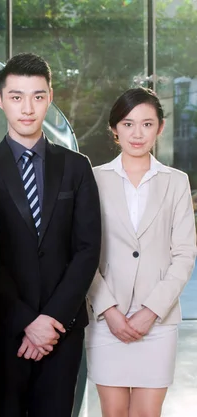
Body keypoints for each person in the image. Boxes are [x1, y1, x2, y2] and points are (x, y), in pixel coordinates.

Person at [0, 52, 102, 417]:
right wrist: (27, 320)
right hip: (3, 325)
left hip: (63, 328)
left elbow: (88, 249)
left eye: (38, 96)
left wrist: (52, 320)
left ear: (50, 97)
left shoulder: (76, 167)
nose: (27, 108)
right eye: (16, 96)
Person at [86, 87, 197, 417]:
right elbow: (84, 252)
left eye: (147, 124)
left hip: (158, 322)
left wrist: (152, 311)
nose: (137, 133)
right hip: (108, 319)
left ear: (160, 128)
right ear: (114, 129)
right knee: (114, 412)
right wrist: (109, 310)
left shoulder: (176, 181)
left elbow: (184, 254)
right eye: (128, 123)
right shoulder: (92, 179)